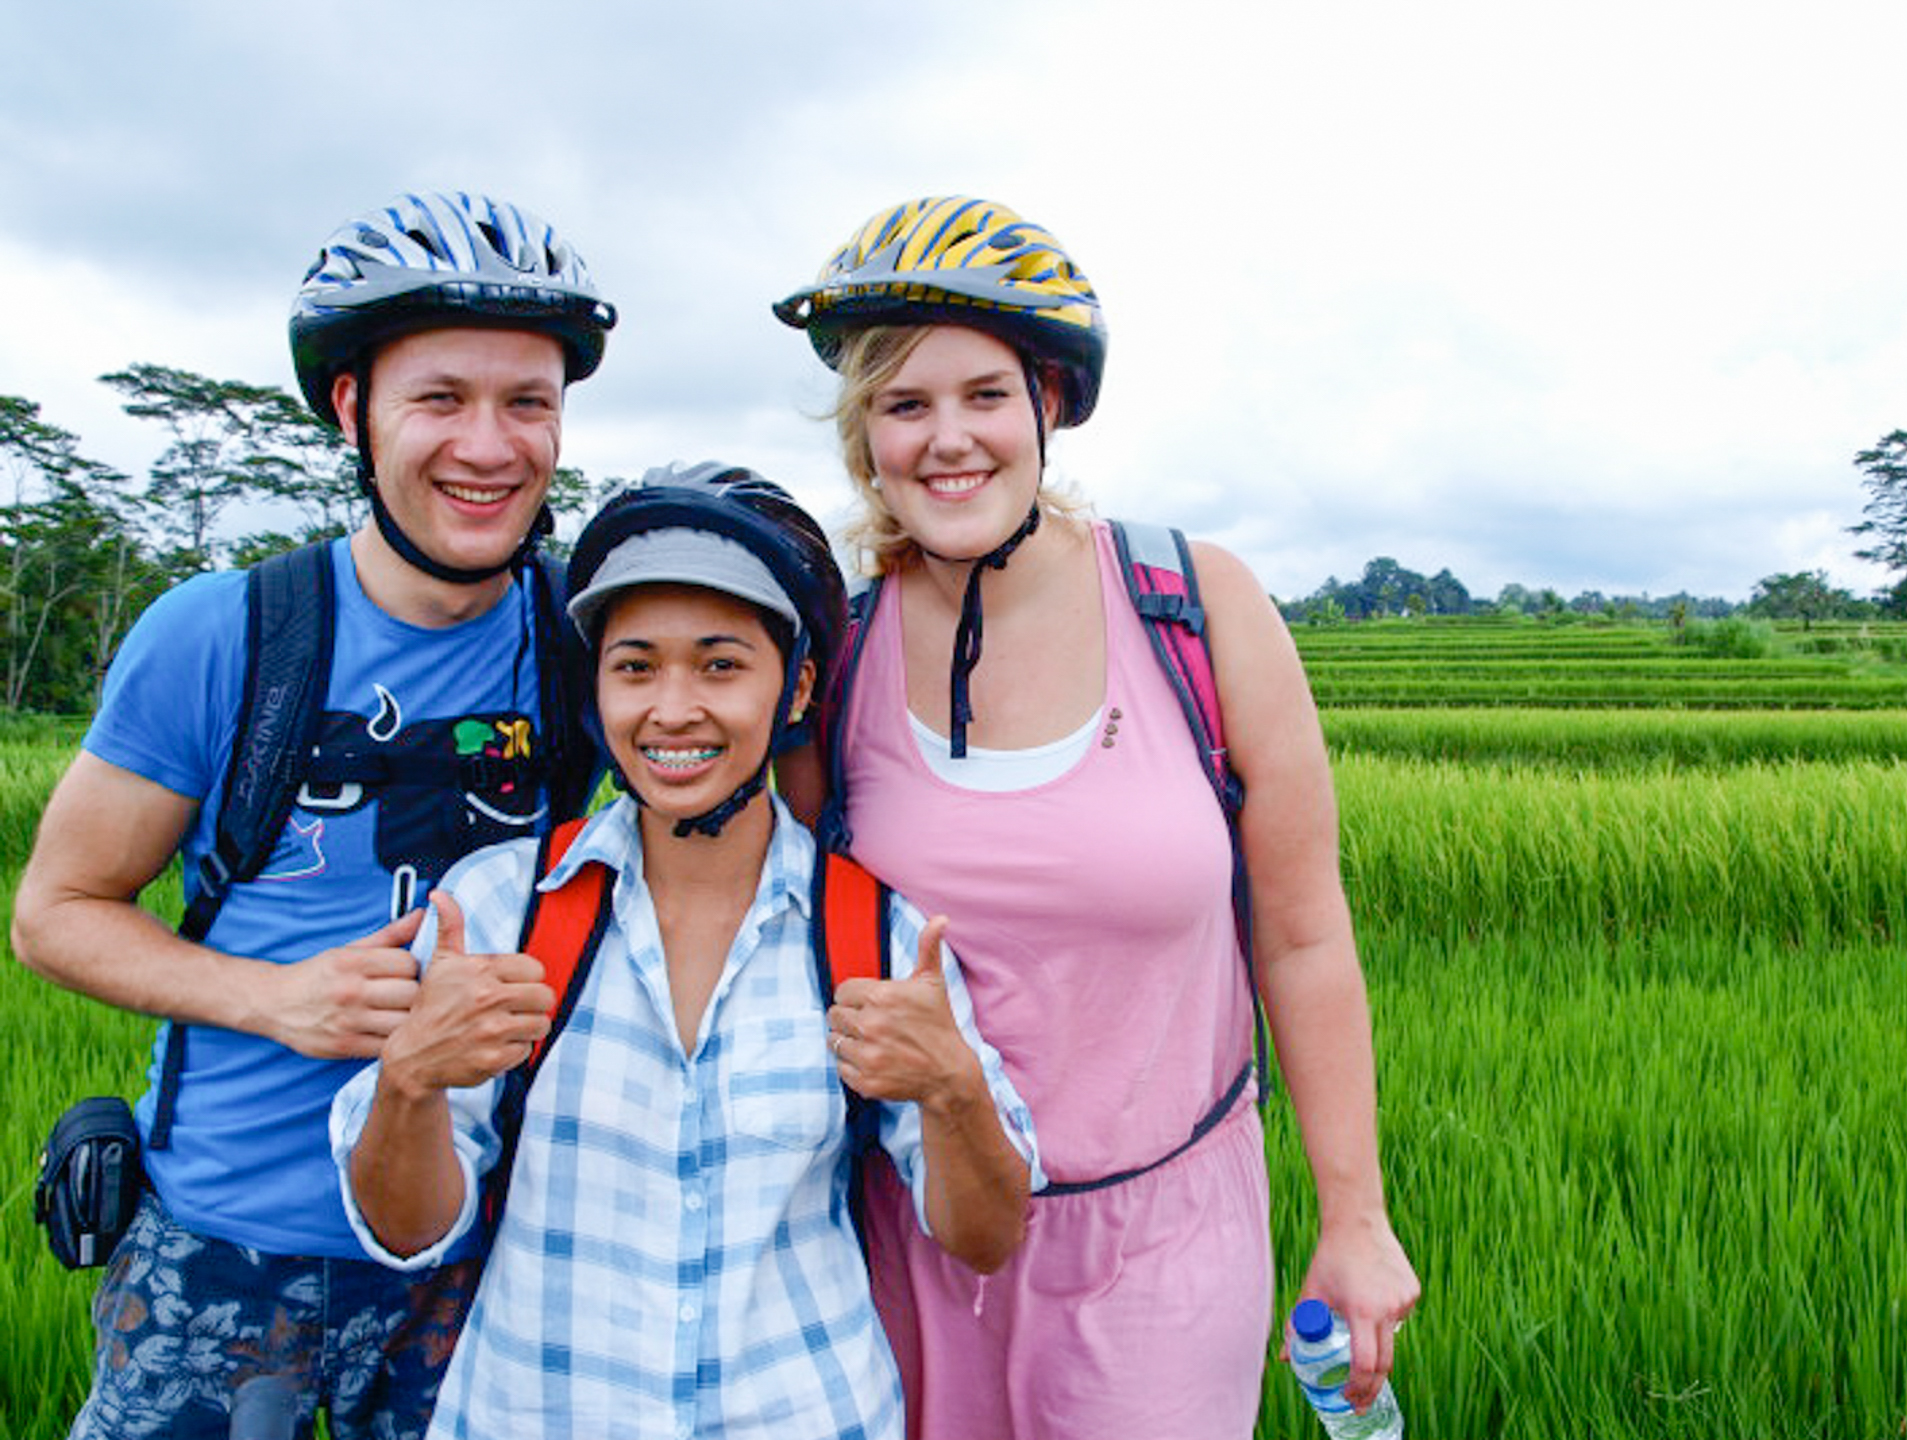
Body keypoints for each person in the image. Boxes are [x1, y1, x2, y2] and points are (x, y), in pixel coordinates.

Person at [772, 195, 1421, 1436]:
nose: (947, 440)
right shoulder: (832, 652)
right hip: (905, 1241)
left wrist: (1357, 1215)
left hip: (1165, 1242)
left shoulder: (1194, 606)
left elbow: (1301, 933)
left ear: (1049, 405)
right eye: (905, 406)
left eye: (983, 396)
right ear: (865, 437)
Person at [10, 190, 616, 1439]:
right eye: (440, 399)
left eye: (528, 403)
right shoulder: (226, 634)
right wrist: (271, 998)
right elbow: (56, 912)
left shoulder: (590, 644)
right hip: (231, 1247)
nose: (490, 446)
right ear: (354, 409)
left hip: (484, 1248)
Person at [329, 465, 1040, 1439]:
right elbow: (407, 1228)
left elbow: (987, 1238)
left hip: (807, 1409)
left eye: (719, 665)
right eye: (635, 666)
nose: (672, 710)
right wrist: (408, 1081)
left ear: (793, 685)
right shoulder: (499, 909)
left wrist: (953, 1090)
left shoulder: (879, 938)